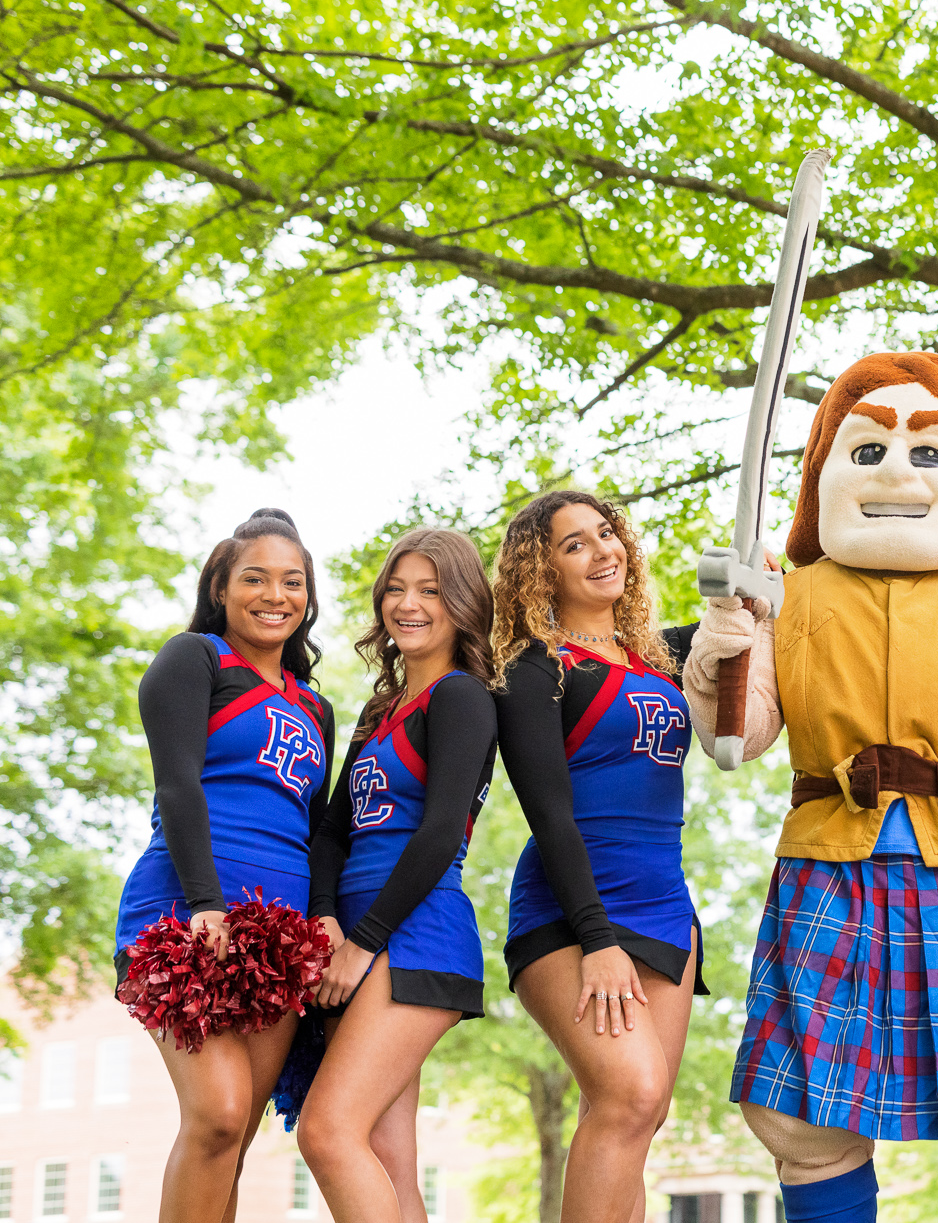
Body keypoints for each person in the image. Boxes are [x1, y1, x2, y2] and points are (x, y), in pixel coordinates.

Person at [683, 351, 938, 1223]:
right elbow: (735, 740)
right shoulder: (786, 599)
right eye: (868, 453)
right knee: (805, 1122)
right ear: (826, 471)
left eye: (931, 454)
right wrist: (724, 642)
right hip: (827, 868)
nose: (897, 471)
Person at [114, 508, 336, 1223]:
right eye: (256, 578)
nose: (276, 595)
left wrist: (322, 920)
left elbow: (318, 830)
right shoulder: (196, 659)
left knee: (233, 1141)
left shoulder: (317, 707)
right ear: (221, 587)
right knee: (216, 1114)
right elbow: (177, 785)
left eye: (292, 581)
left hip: (280, 937)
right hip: (189, 915)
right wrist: (206, 901)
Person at [489, 490, 704, 1223]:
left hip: (667, 909)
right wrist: (597, 938)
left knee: (640, 1117)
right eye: (575, 544)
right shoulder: (532, 671)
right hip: (571, 911)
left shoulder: (665, 658)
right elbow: (548, 816)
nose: (602, 550)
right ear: (540, 571)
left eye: (606, 534)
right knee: (631, 1095)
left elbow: (772, 607)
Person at [298, 529, 499, 1223]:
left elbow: (441, 832)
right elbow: (331, 831)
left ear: (465, 603)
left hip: (415, 936)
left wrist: (363, 943)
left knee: (327, 1133)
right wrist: (326, 917)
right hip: (353, 935)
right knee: (387, 1158)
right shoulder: (379, 711)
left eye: (431, 591)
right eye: (396, 588)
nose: (408, 605)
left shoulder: (463, 698)